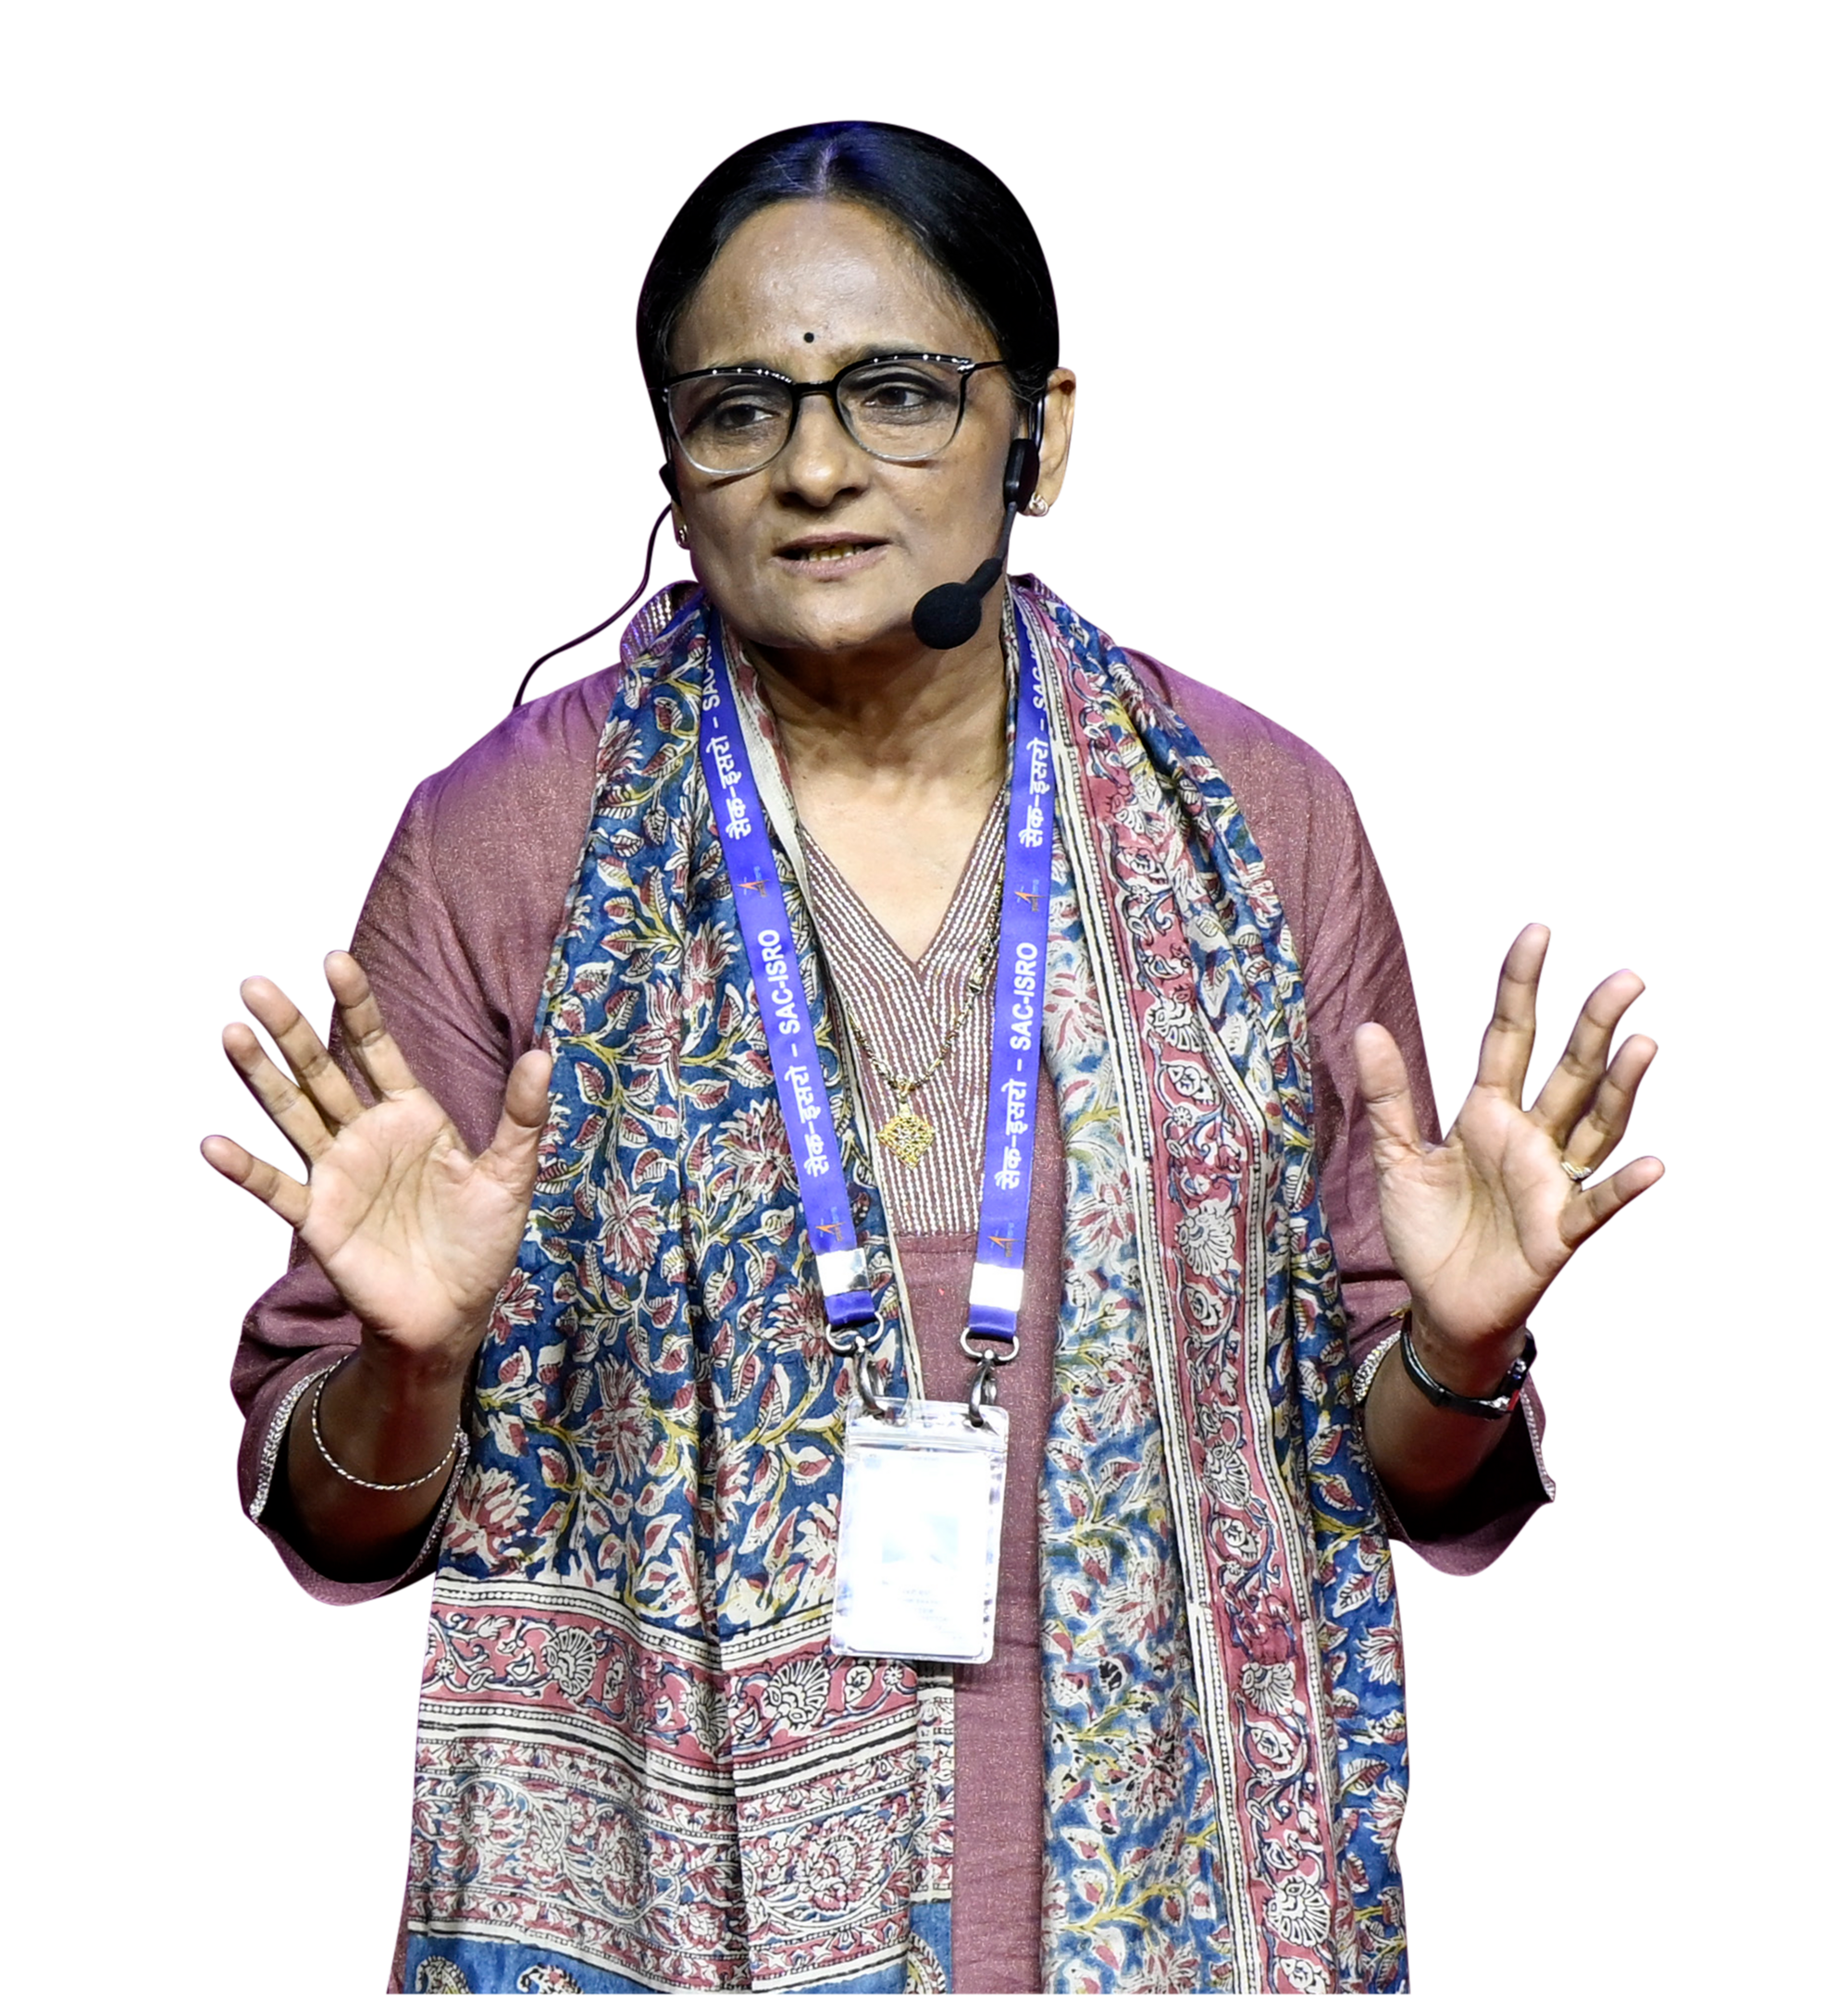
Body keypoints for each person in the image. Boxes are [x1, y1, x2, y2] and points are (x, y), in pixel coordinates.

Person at [205, 120, 1662, 1998]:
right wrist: (413, 1372)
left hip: (1179, 1926)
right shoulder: (512, 842)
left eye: (896, 392)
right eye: (739, 406)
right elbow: (330, 1523)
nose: (813, 466)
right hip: (656, 1929)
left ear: (1039, 433)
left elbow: (1419, 1480)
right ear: (673, 452)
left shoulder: (1255, 824)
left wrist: (1455, 1350)